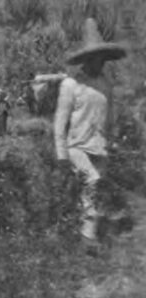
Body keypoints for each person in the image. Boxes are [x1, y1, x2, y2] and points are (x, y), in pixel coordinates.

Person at [54, 17, 127, 244]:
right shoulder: (71, 85)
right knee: (92, 182)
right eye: (96, 58)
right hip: (76, 146)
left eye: (103, 59)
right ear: (86, 59)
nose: (101, 63)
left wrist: (113, 139)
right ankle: (88, 237)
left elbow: (111, 114)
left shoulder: (105, 83)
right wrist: (62, 154)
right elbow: (60, 121)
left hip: (100, 146)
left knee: (92, 189)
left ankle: (75, 226)